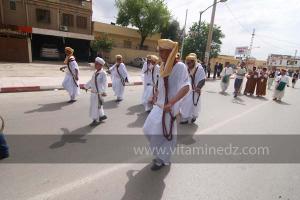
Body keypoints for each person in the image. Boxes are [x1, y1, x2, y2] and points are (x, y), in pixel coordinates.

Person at [143, 39, 190, 171]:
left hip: (169, 107)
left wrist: (172, 102)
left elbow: (186, 87)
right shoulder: (163, 66)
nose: (160, 54)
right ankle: (161, 154)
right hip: (159, 106)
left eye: (163, 51)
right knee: (148, 129)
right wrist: (155, 95)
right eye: (160, 51)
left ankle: (161, 159)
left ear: (171, 52)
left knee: (163, 134)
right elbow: (160, 86)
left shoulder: (180, 67)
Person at [180, 53, 206, 124]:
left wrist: (198, 87)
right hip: (187, 90)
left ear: (194, 61)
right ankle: (185, 118)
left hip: (195, 90)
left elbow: (202, 79)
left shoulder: (199, 68)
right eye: (187, 61)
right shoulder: (186, 67)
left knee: (195, 105)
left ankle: (194, 116)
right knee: (185, 103)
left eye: (190, 61)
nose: (188, 63)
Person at [84, 57, 108, 126]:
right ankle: (102, 115)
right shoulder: (95, 72)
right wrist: (86, 86)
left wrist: (103, 92)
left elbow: (105, 83)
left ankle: (95, 120)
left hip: (99, 93)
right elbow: (91, 81)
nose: (95, 65)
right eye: (95, 63)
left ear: (101, 65)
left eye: (97, 64)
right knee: (97, 106)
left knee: (95, 107)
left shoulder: (103, 73)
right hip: (93, 93)